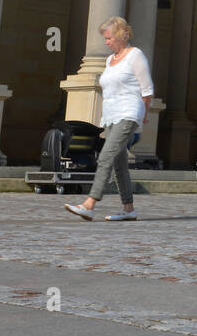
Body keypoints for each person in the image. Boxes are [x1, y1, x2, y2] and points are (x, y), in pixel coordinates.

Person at [65, 16, 153, 222]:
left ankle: (90, 203)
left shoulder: (135, 55)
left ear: (122, 35)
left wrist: (143, 117)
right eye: (105, 39)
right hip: (112, 116)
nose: (106, 42)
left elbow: (147, 91)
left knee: (104, 156)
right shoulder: (109, 60)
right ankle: (129, 208)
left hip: (130, 113)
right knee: (118, 162)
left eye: (109, 38)